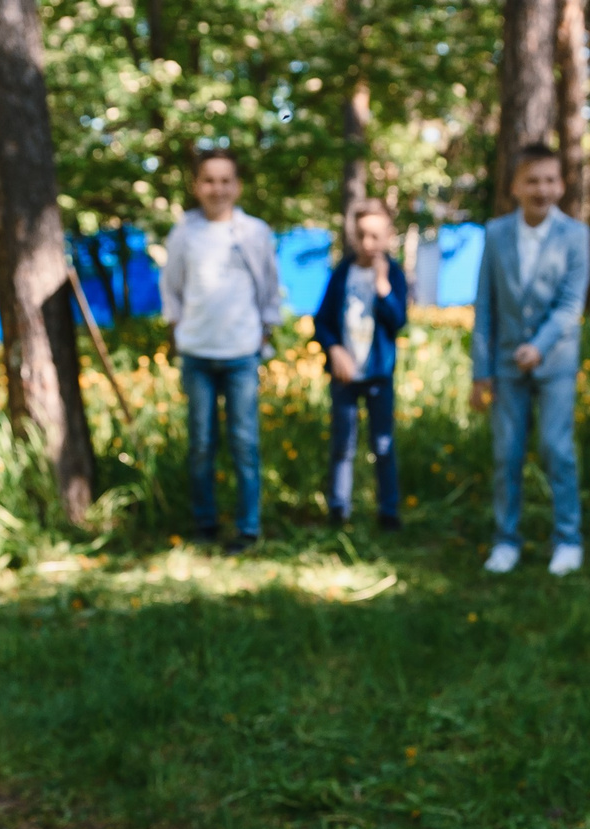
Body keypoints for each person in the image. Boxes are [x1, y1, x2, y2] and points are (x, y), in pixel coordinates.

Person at [471, 142, 590, 575]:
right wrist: (480, 371)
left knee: (556, 449)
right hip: (504, 366)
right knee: (507, 453)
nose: (542, 189)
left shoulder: (576, 235)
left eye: (550, 180)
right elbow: (484, 305)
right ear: (515, 186)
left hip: (555, 362)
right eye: (532, 180)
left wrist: (538, 346)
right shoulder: (495, 233)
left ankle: (568, 539)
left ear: (560, 184)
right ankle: (506, 539)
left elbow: (569, 304)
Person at [162, 149, 283, 552]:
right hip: (197, 354)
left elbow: (269, 288)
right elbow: (172, 290)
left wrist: (263, 336)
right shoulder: (184, 233)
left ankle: (248, 527)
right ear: (197, 187)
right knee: (201, 445)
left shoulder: (255, 232)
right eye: (209, 180)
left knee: (244, 442)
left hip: (241, 355)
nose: (218, 188)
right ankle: (205, 523)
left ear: (238, 186)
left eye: (225, 180)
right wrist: (179, 332)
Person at [313, 199, 409, 529]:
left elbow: (398, 321)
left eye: (375, 236)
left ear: (388, 236)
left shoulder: (393, 274)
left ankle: (389, 511)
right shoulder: (343, 272)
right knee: (343, 445)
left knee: (383, 444)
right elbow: (322, 321)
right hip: (345, 376)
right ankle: (338, 510)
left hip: (378, 375)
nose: (368, 244)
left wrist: (383, 288)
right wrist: (334, 349)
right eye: (362, 235)